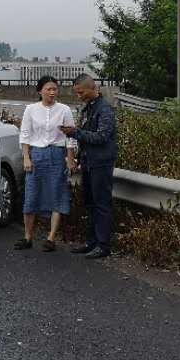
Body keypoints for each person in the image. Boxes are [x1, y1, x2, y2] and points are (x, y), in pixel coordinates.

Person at [13, 75, 76, 252]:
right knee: (31, 195)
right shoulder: (31, 109)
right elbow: (24, 135)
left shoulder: (64, 110)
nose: (52, 92)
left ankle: (51, 238)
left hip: (56, 154)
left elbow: (70, 138)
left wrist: (70, 158)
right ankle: (27, 237)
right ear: (40, 91)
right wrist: (26, 157)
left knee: (57, 193)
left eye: (55, 89)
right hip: (36, 154)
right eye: (48, 89)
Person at [62, 74, 117, 260]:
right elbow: (87, 137)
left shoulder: (105, 109)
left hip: (101, 163)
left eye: (81, 92)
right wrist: (77, 156)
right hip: (88, 162)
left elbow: (101, 137)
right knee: (90, 203)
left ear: (92, 88)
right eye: (76, 93)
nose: (79, 96)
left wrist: (76, 132)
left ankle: (103, 245)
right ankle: (91, 241)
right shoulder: (88, 109)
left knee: (101, 204)